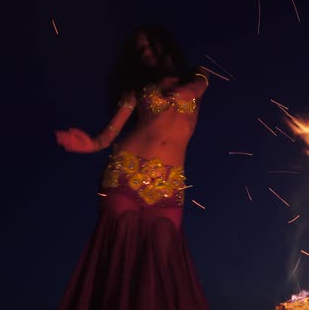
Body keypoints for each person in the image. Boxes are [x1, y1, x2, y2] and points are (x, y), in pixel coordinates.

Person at [55, 24, 210, 310]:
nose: (147, 52)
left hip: (169, 186)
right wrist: (88, 144)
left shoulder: (197, 76)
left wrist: (189, 88)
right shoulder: (136, 89)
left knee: (164, 267)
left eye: (150, 45)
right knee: (119, 264)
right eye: (140, 50)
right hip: (125, 176)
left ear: (165, 45)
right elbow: (107, 136)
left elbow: (201, 82)